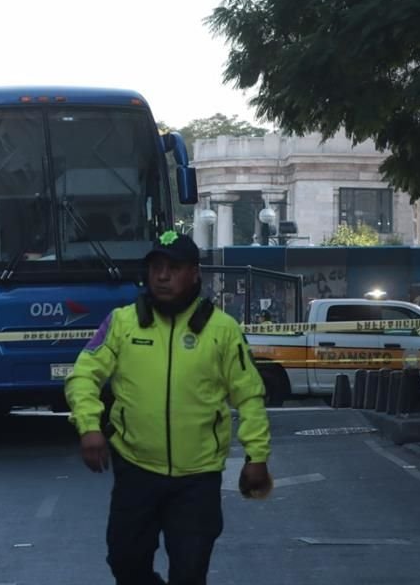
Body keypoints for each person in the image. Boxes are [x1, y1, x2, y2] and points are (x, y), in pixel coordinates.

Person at [64, 230, 273, 585]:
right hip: (136, 468)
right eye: (156, 267)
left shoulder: (222, 330)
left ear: (194, 273)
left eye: (173, 268)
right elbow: (83, 375)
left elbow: (249, 395)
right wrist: (89, 427)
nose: (162, 276)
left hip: (198, 478)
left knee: (190, 571)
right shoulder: (122, 323)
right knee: (124, 561)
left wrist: (257, 456)